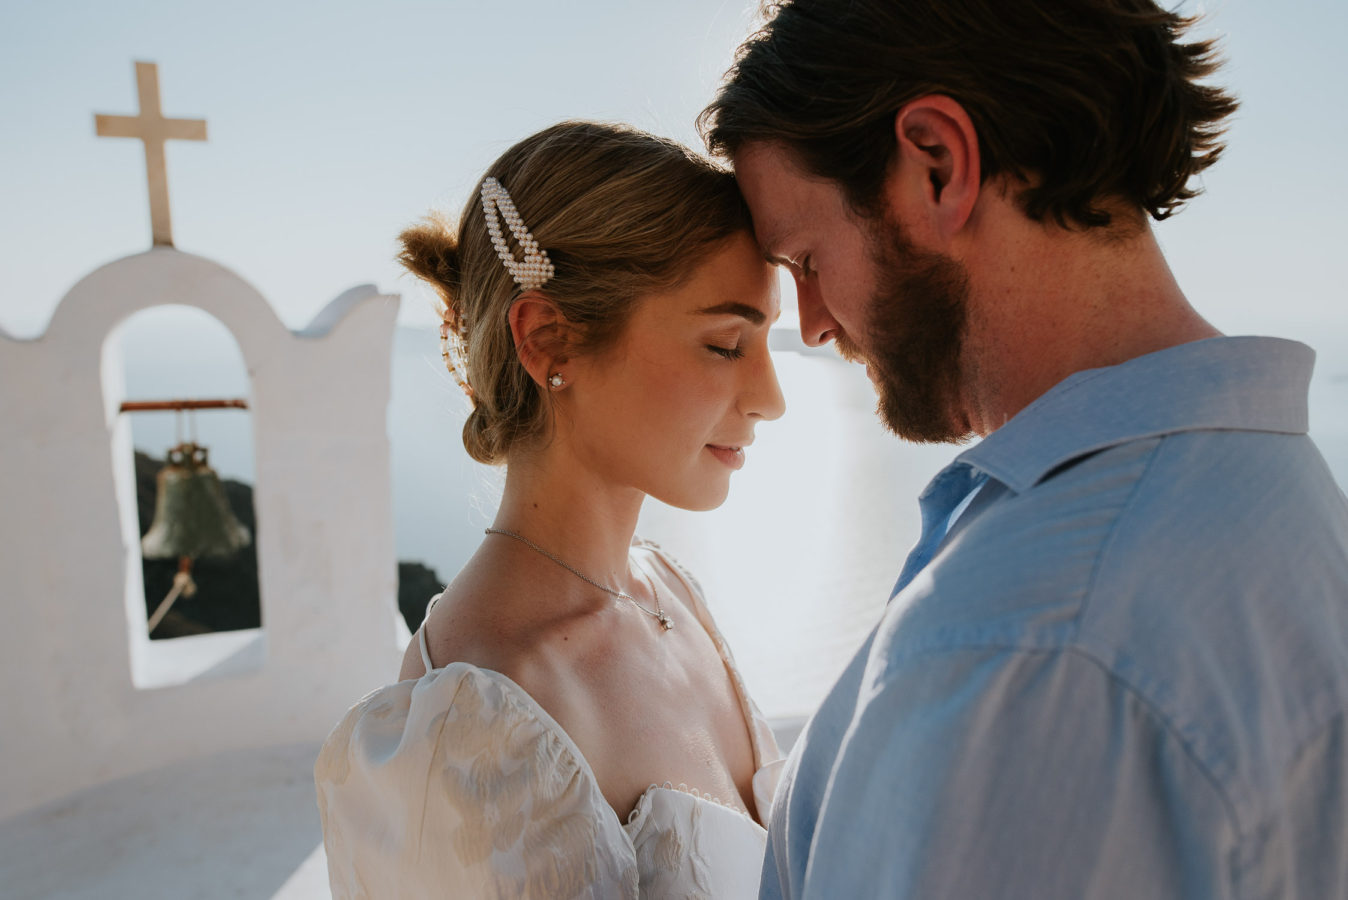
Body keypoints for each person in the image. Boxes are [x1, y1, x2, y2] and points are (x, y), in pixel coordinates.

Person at [700, 2, 1348, 898]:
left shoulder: (1025, 652)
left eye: (807, 260)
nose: (812, 325)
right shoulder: (1280, 496)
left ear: (937, 165)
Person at [314, 121, 787, 899]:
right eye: (726, 345)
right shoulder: (469, 735)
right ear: (549, 340)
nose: (771, 398)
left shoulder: (670, 592)